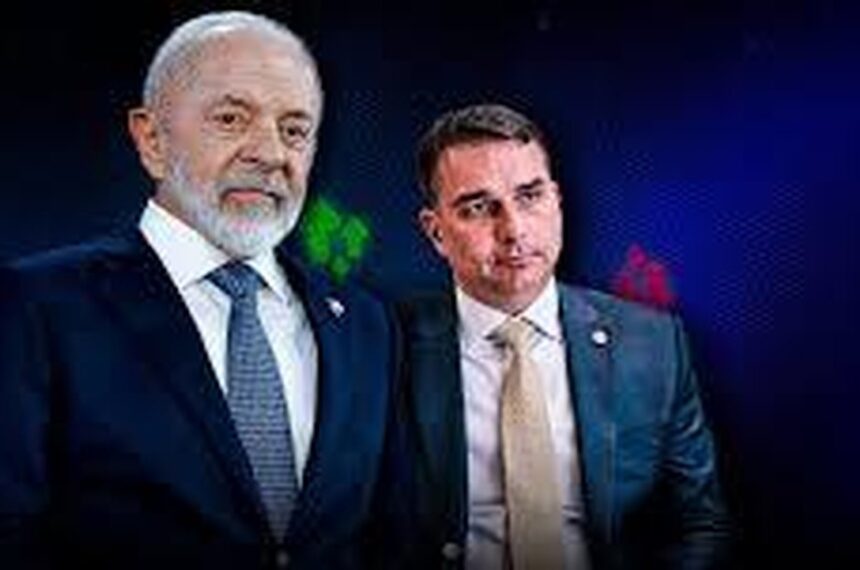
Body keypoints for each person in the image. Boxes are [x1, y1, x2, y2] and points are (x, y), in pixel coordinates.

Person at [0, 11, 392, 570]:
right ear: (151, 139)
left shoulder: (365, 325)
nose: (270, 153)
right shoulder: (36, 307)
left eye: (294, 130)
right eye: (231, 119)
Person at [384, 103, 731, 569]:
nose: (514, 230)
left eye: (530, 196)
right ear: (436, 233)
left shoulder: (653, 345)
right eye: (478, 208)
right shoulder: (382, 345)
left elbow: (701, 525)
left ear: (557, 200)